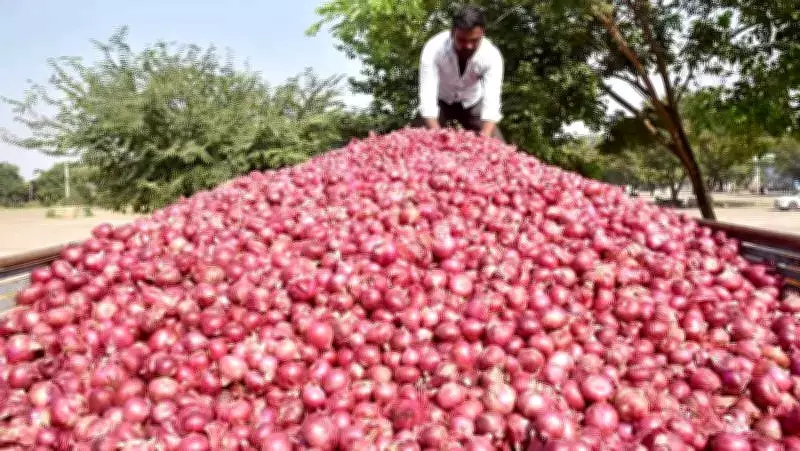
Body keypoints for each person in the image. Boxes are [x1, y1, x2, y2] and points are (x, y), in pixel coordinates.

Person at [414, 5, 505, 141]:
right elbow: (427, 102)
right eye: (462, 40)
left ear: (482, 34)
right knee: (417, 139)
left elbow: (492, 106)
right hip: (441, 101)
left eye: (474, 41)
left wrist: (484, 142)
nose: (468, 46)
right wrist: (438, 140)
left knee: (498, 147)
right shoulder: (433, 49)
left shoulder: (491, 56)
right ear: (452, 33)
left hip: (472, 102)